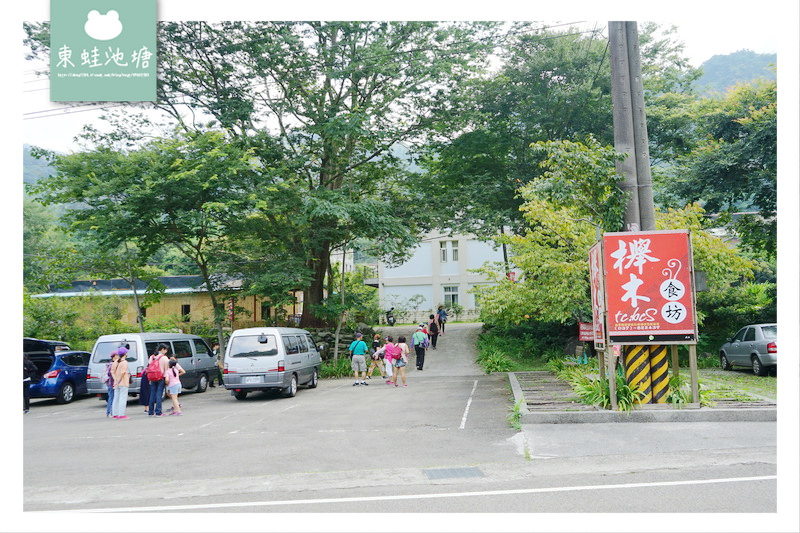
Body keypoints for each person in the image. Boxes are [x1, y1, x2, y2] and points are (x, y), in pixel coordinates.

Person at [147, 343, 171, 416]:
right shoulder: (164, 358)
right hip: (160, 377)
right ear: (163, 349)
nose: (166, 351)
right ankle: (158, 411)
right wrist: (167, 378)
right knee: (159, 394)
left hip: (152, 377)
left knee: (152, 394)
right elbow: (166, 369)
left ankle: (150, 412)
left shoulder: (152, 357)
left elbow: (149, 366)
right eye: (166, 350)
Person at [111, 346, 131, 419]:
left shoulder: (115, 361)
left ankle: (115, 414)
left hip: (116, 383)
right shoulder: (124, 362)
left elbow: (112, 371)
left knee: (116, 398)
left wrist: (115, 381)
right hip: (123, 382)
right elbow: (123, 373)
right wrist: (118, 381)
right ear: (125, 353)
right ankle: (121, 414)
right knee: (122, 398)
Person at [102, 350, 118, 418]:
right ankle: (111, 412)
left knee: (110, 397)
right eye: (117, 355)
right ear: (114, 357)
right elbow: (111, 374)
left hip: (108, 383)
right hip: (112, 383)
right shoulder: (112, 364)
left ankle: (109, 412)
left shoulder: (109, 364)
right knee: (112, 397)